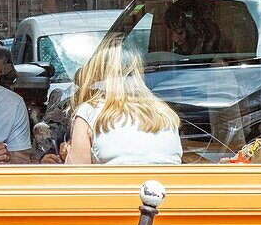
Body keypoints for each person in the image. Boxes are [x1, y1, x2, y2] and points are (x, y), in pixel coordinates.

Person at [57, 34, 181, 165]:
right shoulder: (165, 113)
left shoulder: (89, 113)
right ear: (139, 71)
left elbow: (76, 178)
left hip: (116, 185)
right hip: (165, 185)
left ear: (97, 72)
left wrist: (71, 152)